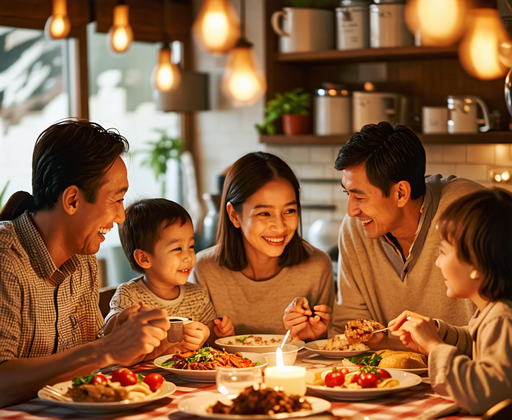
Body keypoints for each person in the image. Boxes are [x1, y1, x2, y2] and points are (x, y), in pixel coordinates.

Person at [0, 120, 170, 408]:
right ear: (72, 200)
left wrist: (134, 348)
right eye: (116, 200)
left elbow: (89, 367)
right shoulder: (7, 258)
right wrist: (106, 348)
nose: (121, 217)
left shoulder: (84, 262)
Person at [330, 121, 481, 353]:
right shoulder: (354, 230)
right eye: (347, 193)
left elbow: (498, 334)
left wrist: (436, 336)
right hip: (385, 381)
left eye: (359, 197)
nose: (351, 210)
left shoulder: (469, 214)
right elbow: (347, 329)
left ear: (401, 193)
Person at [389, 188, 512, 415]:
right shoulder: (492, 312)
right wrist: (437, 333)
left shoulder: (502, 319)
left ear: (476, 264)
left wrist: (434, 346)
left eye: (443, 252)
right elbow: (478, 344)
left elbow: (484, 394)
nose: (437, 263)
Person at [191, 152, 334, 340]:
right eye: (265, 214)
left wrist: (314, 338)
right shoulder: (204, 270)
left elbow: (331, 352)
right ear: (234, 215)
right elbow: (193, 356)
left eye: (289, 211)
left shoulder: (317, 266)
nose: (280, 226)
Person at [105, 198, 223, 350]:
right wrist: (128, 321)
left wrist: (212, 332)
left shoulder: (197, 296)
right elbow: (108, 333)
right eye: (177, 249)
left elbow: (211, 340)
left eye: (191, 246)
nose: (188, 256)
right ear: (144, 258)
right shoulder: (129, 295)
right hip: (144, 373)